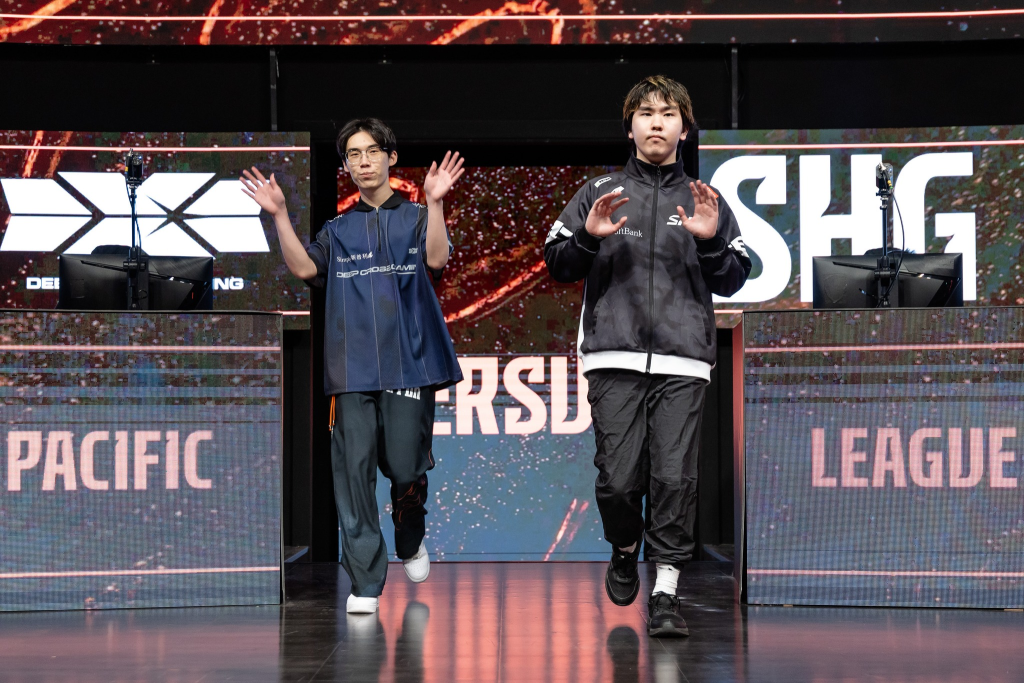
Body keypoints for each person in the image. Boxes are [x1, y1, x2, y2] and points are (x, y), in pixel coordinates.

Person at [543, 76, 751, 637]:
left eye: (668, 113)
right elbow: (557, 263)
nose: (656, 122)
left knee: (675, 478)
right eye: (646, 113)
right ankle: (623, 545)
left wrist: (710, 241)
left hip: (684, 360)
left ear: (684, 129)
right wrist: (588, 237)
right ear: (630, 126)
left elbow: (734, 277)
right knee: (617, 481)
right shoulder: (599, 191)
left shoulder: (705, 199)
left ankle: (666, 591)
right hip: (613, 354)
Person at [241, 118, 465, 614]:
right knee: (353, 473)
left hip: (410, 364)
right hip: (351, 369)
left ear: (390, 157)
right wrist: (279, 215)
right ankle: (365, 581)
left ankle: (410, 531)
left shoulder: (416, 217)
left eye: (372, 151)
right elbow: (305, 268)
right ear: (346, 166)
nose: (364, 162)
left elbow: (437, 259)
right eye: (354, 155)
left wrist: (435, 203)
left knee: (405, 466)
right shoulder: (337, 230)